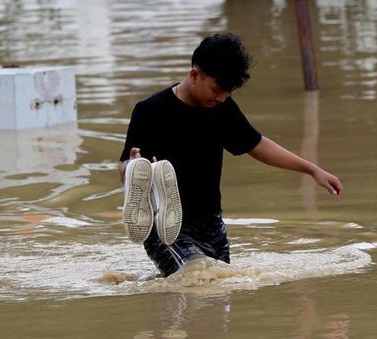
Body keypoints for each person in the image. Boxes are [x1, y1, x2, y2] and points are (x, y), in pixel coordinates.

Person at [119, 33, 344, 277]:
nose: (222, 97)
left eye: (229, 92)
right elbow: (123, 166)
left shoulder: (221, 107)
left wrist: (312, 170)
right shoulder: (150, 111)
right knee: (198, 278)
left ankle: (155, 304)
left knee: (216, 298)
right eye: (217, 89)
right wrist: (133, 168)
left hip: (212, 225)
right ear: (195, 75)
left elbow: (256, 144)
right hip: (166, 227)